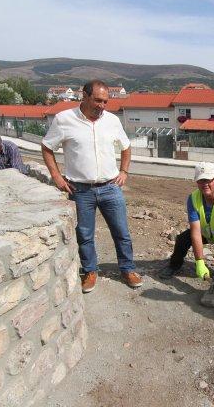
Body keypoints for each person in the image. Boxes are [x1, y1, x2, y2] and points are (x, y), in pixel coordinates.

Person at [41, 80, 143, 293]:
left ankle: (127, 269)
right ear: (84, 96)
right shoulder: (63, 119)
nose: (102, 105)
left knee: (121, 232)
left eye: (105, 101)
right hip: (80, 190)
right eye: (97, 100)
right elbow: (47, 147)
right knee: (85, 234)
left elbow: (126, 146)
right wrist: (57, 177)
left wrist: (124, 172)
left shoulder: (112, 121)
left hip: (110, 187)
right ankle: (90, 271)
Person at [158, 162, 214, 304]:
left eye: (208, 180)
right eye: (200, 180)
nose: (204, 184)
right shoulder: (193, 199)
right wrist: (200, 262)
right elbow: (195, 233)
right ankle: (174, 265)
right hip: (210, 232)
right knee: (183, 239)